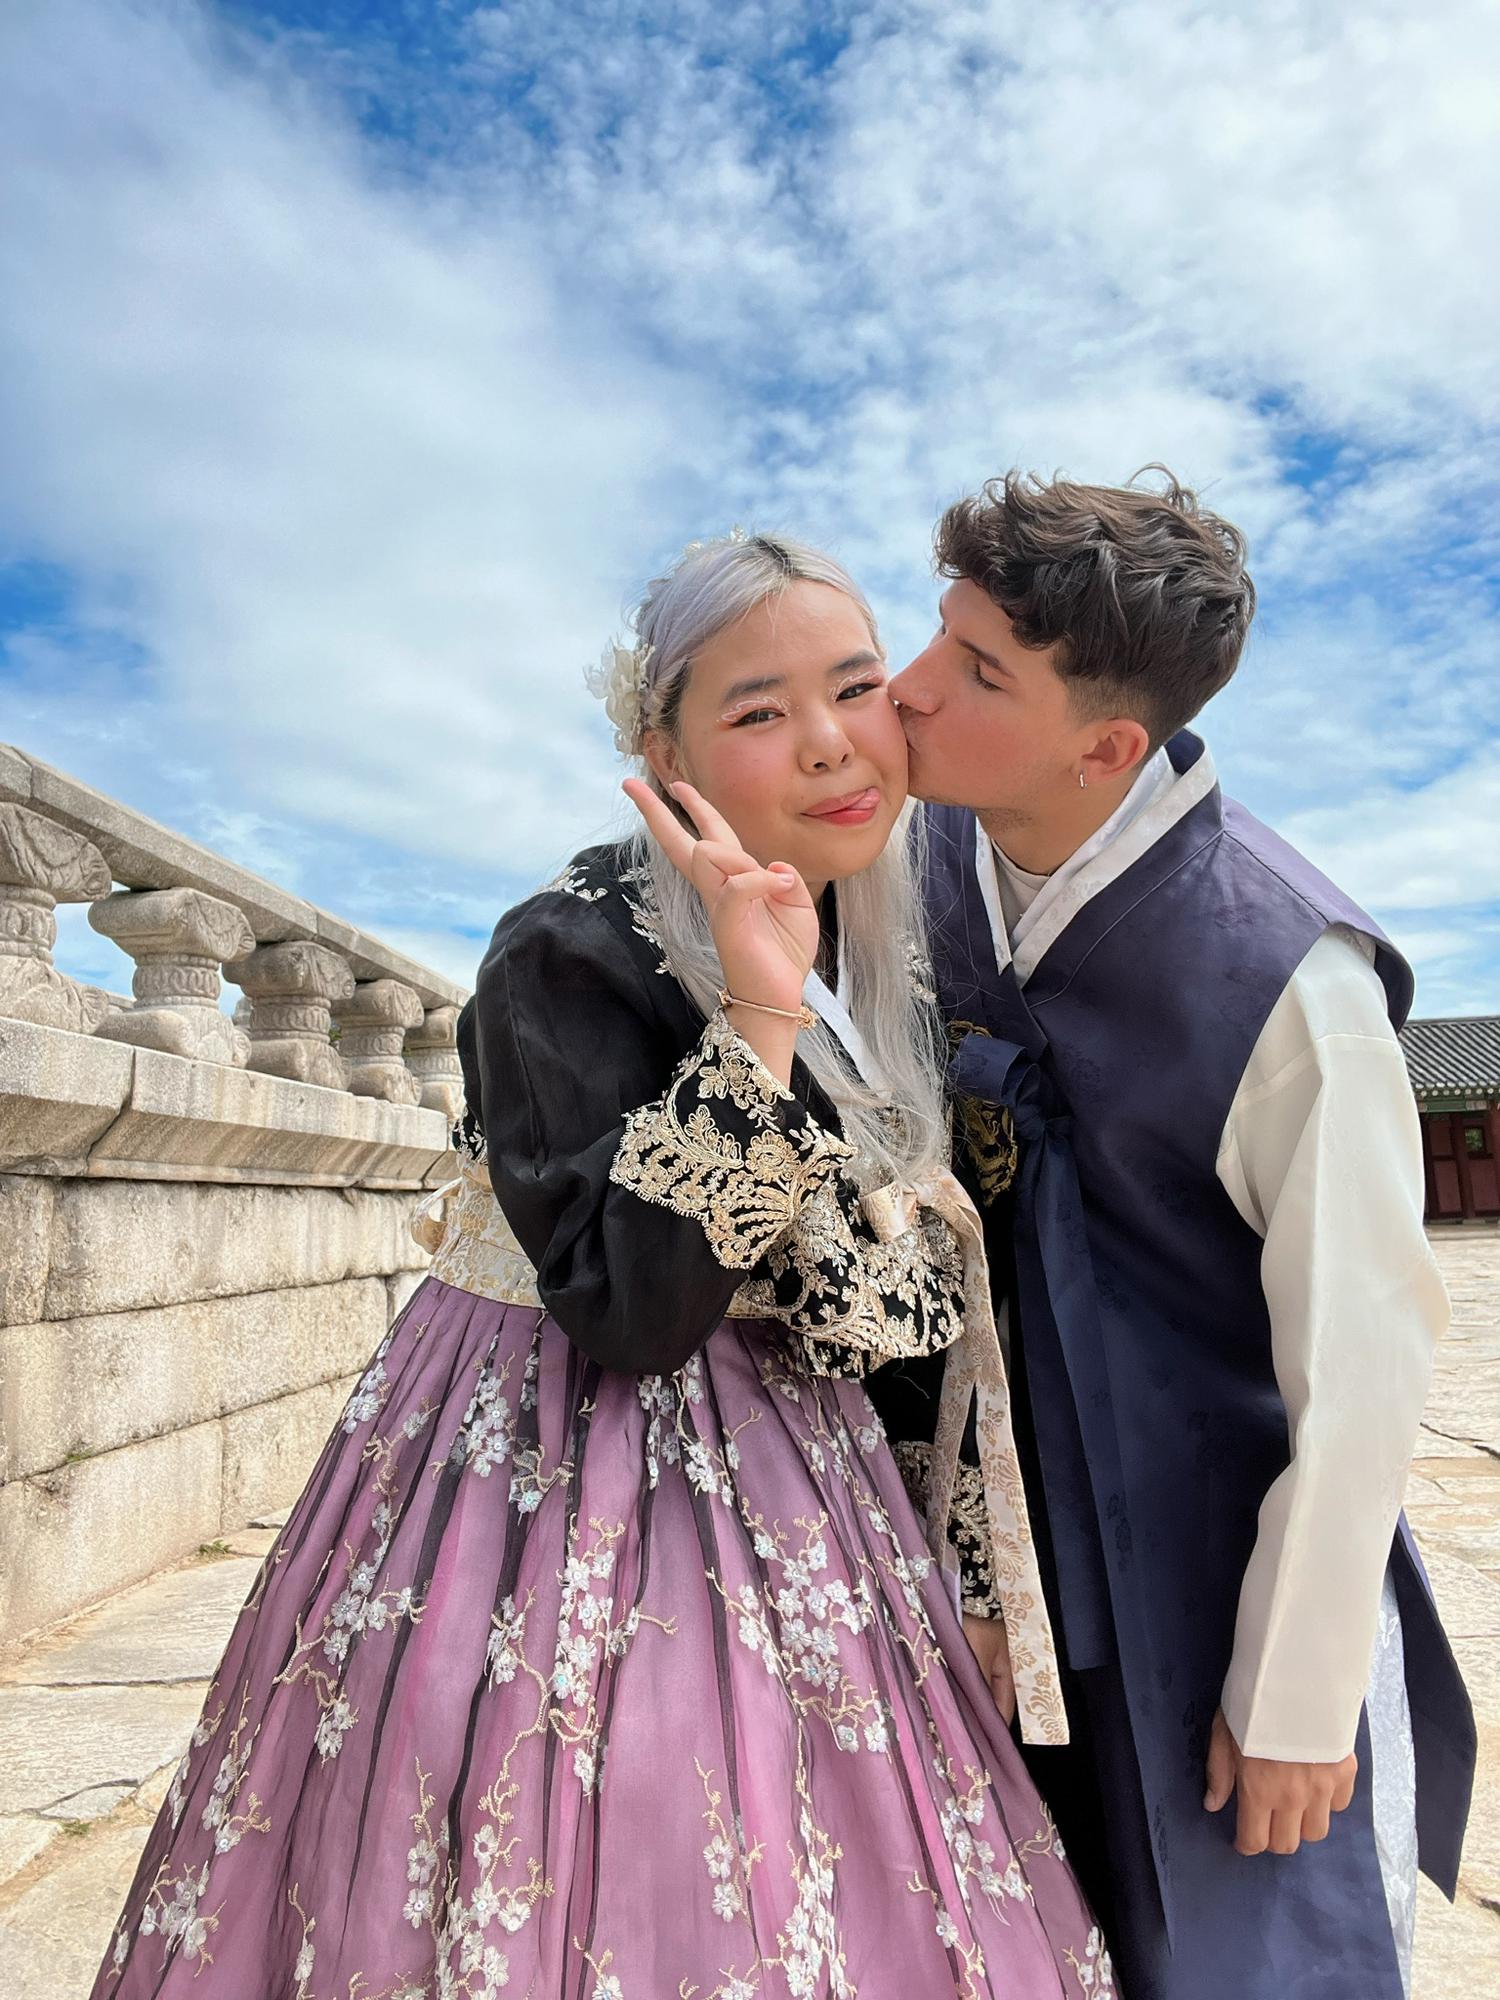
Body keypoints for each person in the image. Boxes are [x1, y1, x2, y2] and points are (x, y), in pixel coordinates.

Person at [91, 531, 1113, 1999]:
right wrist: (754, 1028)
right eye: (759, 712)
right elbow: (634, 1312)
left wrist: (967, 1571)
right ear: (665, 749)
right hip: (555, 1463)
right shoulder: (562, 956)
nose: (832, 746)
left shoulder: (883, 930)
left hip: (809, 1474)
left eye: (857, 688)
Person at [885, 469, 1476, 2000]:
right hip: (987, 1533)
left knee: (1244, 1951)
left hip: (1215, 1552)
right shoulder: (926, 869)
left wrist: (1296, 1697)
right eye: (934, 639)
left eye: (976, 674)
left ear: (1108, 744)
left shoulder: (1289, 979)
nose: (911, 690)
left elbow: (1360, 1374)